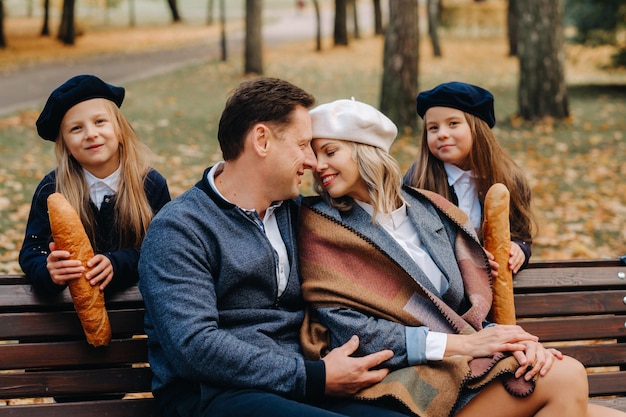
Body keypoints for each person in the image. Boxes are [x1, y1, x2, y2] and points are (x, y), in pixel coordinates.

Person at [299, 98, 626, 417]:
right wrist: (466, 346)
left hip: (465, 365)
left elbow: (462, 311)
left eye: (330, 152)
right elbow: (351, 330)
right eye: (316, 156)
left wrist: (513, 342)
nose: (319, 165)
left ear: (366, 151)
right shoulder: (324, 226)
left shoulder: (431, 210)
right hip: (405, 379)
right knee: (566, 376)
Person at [137, 77, 409, 417]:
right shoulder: (180, 228)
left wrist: (466, 251)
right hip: (215, 395)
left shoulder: (299, 215)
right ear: (262, 140)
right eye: (303, 144)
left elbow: (379, 234)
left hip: (301, 384)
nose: (312, 161)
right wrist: (313, 376)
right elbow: (195, 347)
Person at [19, 74, 171, 295]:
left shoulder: (150, 184)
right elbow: (32, 250)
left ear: (120, 130)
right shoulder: (52, 189)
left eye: (100, 121)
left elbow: (164, 250)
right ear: (65, 145)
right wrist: (48, 269)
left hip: (133, 310)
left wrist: (118, 264)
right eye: (76, 129)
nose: (91, 134)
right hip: (68, 312)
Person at [403, 82, 534, 274]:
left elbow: (521, 233)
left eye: (453, 123)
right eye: (433, 128)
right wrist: (466, 259)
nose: (442, 134)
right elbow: (410, 241)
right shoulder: (418, 180)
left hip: (496, 281)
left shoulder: (509, 179)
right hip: (441, 284)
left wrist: (519, 249)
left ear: (478, 129)